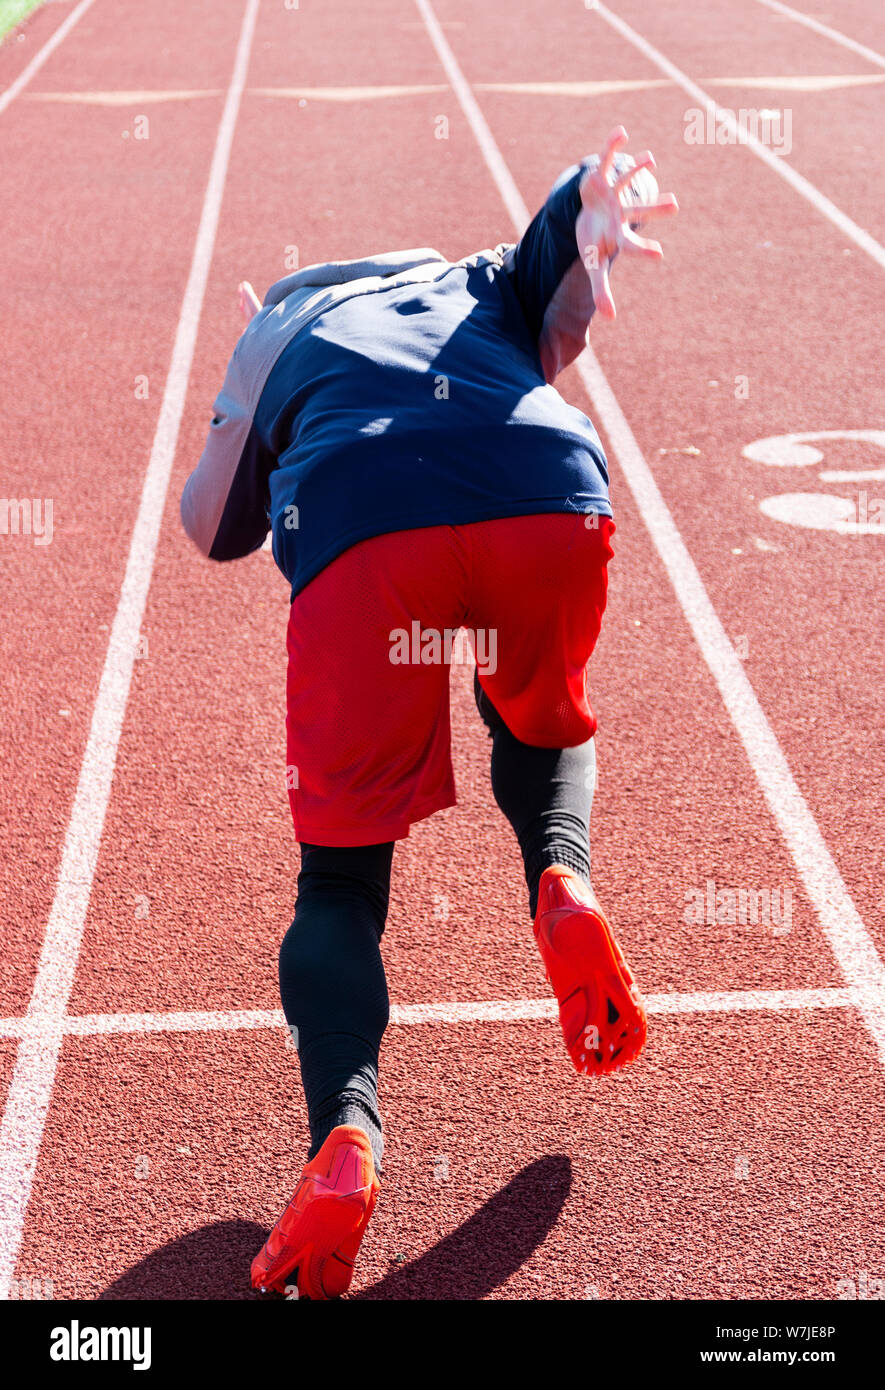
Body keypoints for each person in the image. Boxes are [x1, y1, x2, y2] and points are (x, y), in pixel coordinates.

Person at [180, 126, 677, 1300]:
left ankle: (345, 1134)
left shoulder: (280, 328)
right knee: (539, 723)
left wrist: (243, 394)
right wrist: (589, 201)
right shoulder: (470, 277)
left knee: (341, 884)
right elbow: (563, 231)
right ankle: (564, 879)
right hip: (546, 486)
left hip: (362, 525)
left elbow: (211, 529)